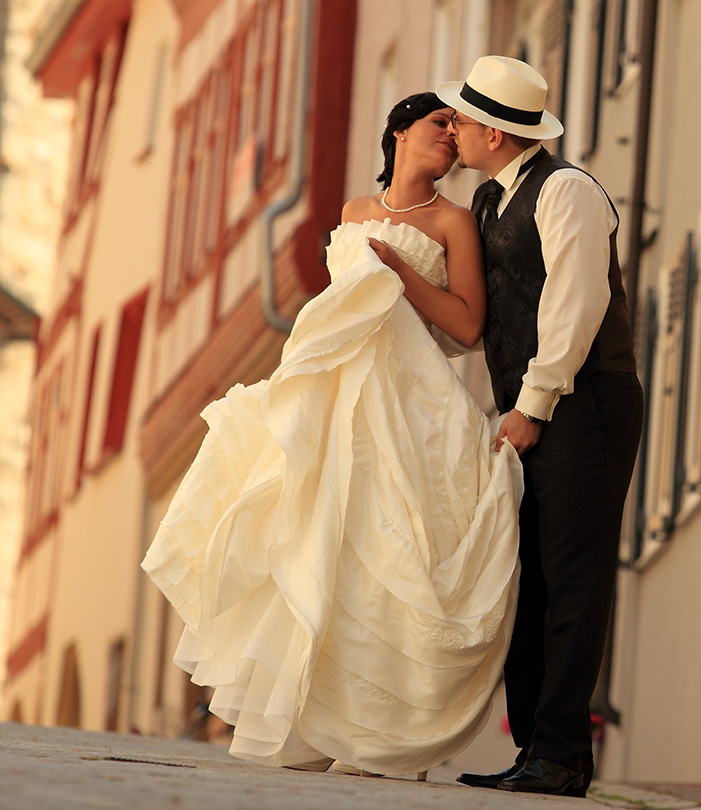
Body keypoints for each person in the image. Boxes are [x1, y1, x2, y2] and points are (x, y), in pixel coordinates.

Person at [142, 93, 524, 777]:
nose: (451, 135)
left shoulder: (454, 223)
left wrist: (402, 275)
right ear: (402, 132)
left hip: (407, 402)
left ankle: (380, 728)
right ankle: (313, 716)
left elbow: (467, 327)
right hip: (336, 393)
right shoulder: (352, 213)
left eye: (457, 128)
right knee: (322, 540)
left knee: (389, 546)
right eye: (442, 123)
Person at [437, 56, 643, 798]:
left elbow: (576, 306)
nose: (451, 127)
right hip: (540, 409)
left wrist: (534, 404)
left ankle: (560, 756)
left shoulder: (568, 192)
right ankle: (536, 749)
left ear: (494, 132)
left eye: (460, 118)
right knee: (533, 580)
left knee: (573, 579)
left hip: (587, 403)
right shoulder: (492, 202)